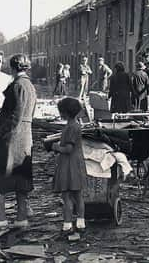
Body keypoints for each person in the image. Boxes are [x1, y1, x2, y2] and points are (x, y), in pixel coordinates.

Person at [0, 54, 37, 229]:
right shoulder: (29, 85)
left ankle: (1, 219)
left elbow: (14, 116)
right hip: (25, 137)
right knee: (21, 178)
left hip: (11, 139)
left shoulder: (17, 85)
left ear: (13, 68)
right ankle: (21, 218)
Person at [51, 97, 87, 235]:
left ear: (64, 113)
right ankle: (81, 222)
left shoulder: (70, 127)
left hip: (68, 165)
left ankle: (67, 224)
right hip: (77, 164)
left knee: (66, 197)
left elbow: (68, 149)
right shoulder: (76, 125)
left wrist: (56, 147)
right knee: (78, 196)